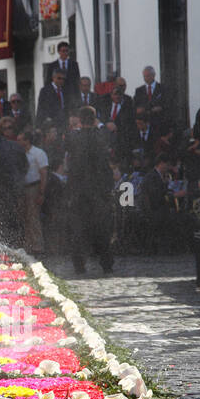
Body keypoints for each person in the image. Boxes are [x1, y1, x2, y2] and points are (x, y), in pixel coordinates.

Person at [66, 106, 114, 274]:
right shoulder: (101, 136)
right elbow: (106, 164)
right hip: (99, 188)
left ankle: (79, 263)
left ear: (80, 119)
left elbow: (71, 165)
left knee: (79, 229)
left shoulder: (73, 138)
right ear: (94, 119)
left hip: (79, 189)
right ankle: (106, 263)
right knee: (102, 228)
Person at [15, 128, 49, 256]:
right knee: (24, 217)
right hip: (22, 188)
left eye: (20, 140)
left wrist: (41, 192)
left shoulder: (38, 153)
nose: (17, 142)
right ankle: (28, 245)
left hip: (34, 187)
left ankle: (38, 246)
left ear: (27, 140)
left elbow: (43, 173)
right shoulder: (18, 153)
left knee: (33, 217)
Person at [134, 66, 164, 130]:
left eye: (147, 76)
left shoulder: (162, 88)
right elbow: (135, 106)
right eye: (144, 76)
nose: (145, 78)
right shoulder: (139, 90)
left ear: (154, 75)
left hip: (159, 124)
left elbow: (166, 105)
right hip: (144, 125)